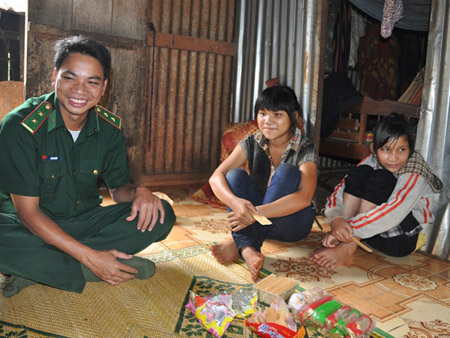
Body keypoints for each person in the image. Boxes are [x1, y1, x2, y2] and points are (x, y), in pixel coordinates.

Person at [0, 35, 176, 297]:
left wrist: (139, 191)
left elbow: (119, 191)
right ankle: (88, 267)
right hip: (27, 224)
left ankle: (38, 268)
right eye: (70, 78)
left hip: (82, 221)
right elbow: (28, 214)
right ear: (54, 76)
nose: (79, 90)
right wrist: (90, 256)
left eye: (92, 82)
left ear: (104, 87)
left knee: (161, 213)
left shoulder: (109, 128)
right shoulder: (21, 126)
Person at [209, 85, 317, 282]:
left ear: (293, 116)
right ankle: (249, 249)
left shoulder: (305, 146)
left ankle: (242, 245)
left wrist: (255, 213)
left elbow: (304, 197)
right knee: (234, 176)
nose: (268, 121)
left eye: (277, 114)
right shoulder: (253, 141)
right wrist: (236, 203)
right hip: (257, 221)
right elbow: (216, 177)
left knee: (286, 172)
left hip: (292, 223)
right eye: (263, 114)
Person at [309, 113, 443, 268]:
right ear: (374, 149)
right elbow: (342, 188)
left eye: (402, 149)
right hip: (371, 233)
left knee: (382, 178)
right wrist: (337, 220)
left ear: (410, 150)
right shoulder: (371, 159)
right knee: (360, 172)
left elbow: (393, 213)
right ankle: (343, 237)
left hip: (403, 239)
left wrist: (352, 227)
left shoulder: (415, 171)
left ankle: (347, 247)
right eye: (386, 149)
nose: (394, 157)